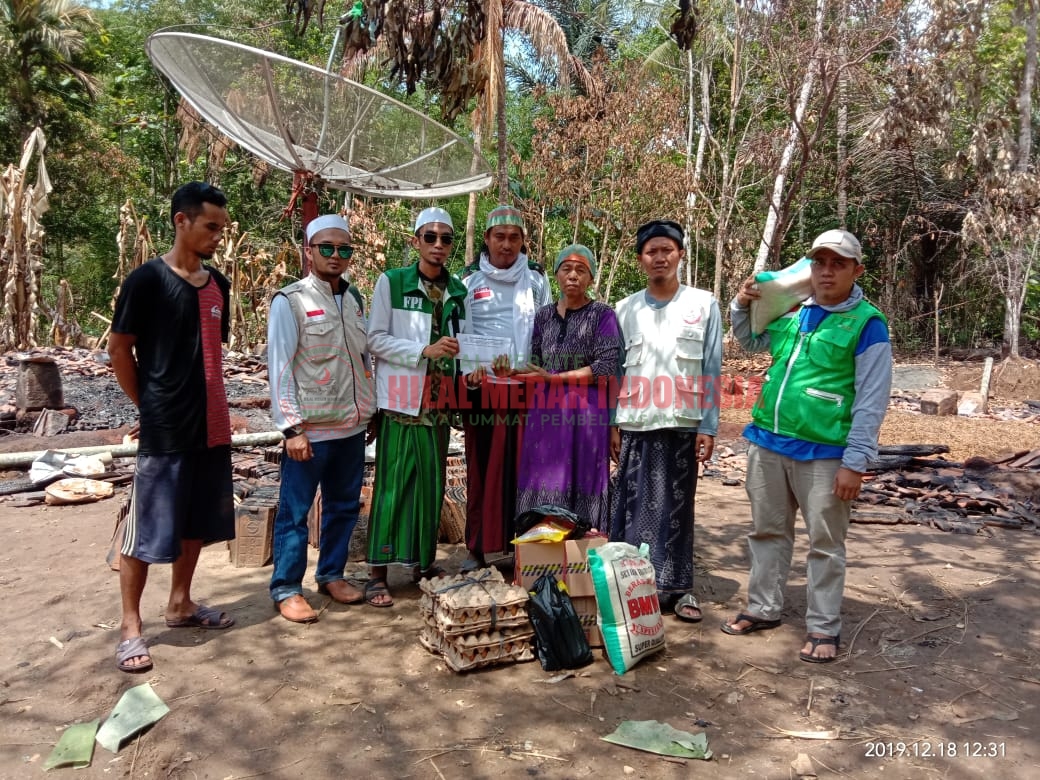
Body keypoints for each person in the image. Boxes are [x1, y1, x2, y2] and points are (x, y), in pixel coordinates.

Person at [722, 228, 892, 663]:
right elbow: (751, 338)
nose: (827, 271)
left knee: (825, 543)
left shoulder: (867, 324)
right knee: (767, 532)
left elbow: (871, 400)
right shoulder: (795, 314)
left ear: (857, 270)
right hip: (769, 443)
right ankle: (763, 608)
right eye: (820, 262)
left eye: (838, 263)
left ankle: (822, 627)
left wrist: (855, 462)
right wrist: (741, 303)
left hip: (824, 452)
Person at [109, 181, 236, 673]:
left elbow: (210, 352)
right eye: (210, 227)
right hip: (165, 430)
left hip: (213, 425)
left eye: (222, 229)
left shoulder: (219, 285)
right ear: (181, 221)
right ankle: (129, 627)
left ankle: (181, 604)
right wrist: (149, 406)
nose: (218, 237)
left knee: (198, 522)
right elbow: (120, 351)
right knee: (144, 531)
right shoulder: (147, 281)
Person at [609, 219, 722, 623]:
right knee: (634, 508)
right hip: (636, 423)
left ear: (680, 254)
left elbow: (711, 368)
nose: (659, 257)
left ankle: (680, 588)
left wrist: (709, 425)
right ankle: (636, 587)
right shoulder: (625, 310)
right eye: (651, 251)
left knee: (678, 508)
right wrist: (611, 424)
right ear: (640, 259)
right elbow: (616, 371)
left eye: (666, 250)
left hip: (682, 423)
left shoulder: (703, 304)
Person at [267, 213, 376, 623]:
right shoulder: (290, 301)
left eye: (344, 249)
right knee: (295, 512)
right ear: (309, 250)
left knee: (343, 506)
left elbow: (364, 360)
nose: (335, 255)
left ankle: (331, 573)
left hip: (351, 427)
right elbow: (279, 366)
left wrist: (372, 409)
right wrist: (291, 428)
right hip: (309, 431)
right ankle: (286, 587)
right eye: (326, 248)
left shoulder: (354, 300)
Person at [364, 207, 467, 607]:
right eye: (430, 237)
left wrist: (470, 374)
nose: (438, 245)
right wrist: (422, 350)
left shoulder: (458, 290)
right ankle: (377, 573)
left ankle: (422, 565)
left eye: (446, 239)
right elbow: (375, 339)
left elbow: (466, 343)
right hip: (401, 402)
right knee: (393, 485)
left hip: (440, 405)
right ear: (416, 241)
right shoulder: (393, 282)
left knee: (431, 485)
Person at [460, 204, 551, 571]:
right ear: (486, 239)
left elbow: (544, 332)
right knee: (481, 469)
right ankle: (477, 547)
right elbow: (460, 331)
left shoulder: (536, 280)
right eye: (499, 237)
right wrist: (469, 372)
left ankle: (522, 548)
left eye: (514, 238)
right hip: (482, 391)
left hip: (524, 390)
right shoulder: (469, 281)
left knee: (525, 471)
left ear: (523, 242)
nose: (507, 245)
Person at [514, 244, 621, 531]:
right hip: (546, 415)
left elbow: (606, 366)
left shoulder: (603, 315)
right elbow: (535, 365)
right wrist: (509, 372)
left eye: (581, 270)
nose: (573, 275)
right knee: (544, 477)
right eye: (566, 268)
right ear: (556, 274)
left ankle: (580, 561)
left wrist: (555, 378)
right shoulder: (543, 316)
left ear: (591, 278)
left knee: (582, 476)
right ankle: (539, 555)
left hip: (586, 414)